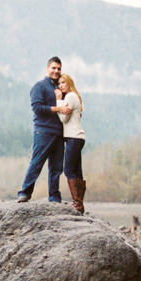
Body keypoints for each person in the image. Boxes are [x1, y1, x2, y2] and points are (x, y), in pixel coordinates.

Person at [17, 57, 72, 203]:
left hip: (59, 133)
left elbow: (68, 109)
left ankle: (54, 197)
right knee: (36, 163)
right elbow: (37, 108)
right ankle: (24, 193)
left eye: (59, 68)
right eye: (53, 68)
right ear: (47, 69)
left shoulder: (60, 88)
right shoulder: (39, 87)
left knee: (56, 168)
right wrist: (58, 108)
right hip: (43, 132)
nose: (56, 71)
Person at [55, 74, 86, 213]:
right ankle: (79, 204)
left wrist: (58, 101)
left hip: (73, 137)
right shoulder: (75, 96)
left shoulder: (69, 97)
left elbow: (63, 119)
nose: (60, 85)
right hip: (77, 138)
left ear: (69, 83)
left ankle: (77, 203)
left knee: (68, 170)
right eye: (59, 83)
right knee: (77, 170)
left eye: (63, 82)